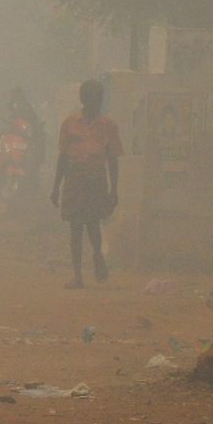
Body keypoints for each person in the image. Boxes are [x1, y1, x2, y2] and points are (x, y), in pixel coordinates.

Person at [51, 79, 123, 288]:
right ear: (84, 100)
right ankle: (77, 275)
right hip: (75, 179)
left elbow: (113, 160)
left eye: (99, 99)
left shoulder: (108, 126)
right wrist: (56, 187)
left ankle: (98, 256)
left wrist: (114, 190)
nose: (97, 103)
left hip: (96, 179)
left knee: (93, 224)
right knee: (75, 227)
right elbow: (63, 157)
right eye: (94, 99)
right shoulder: (70, 123)